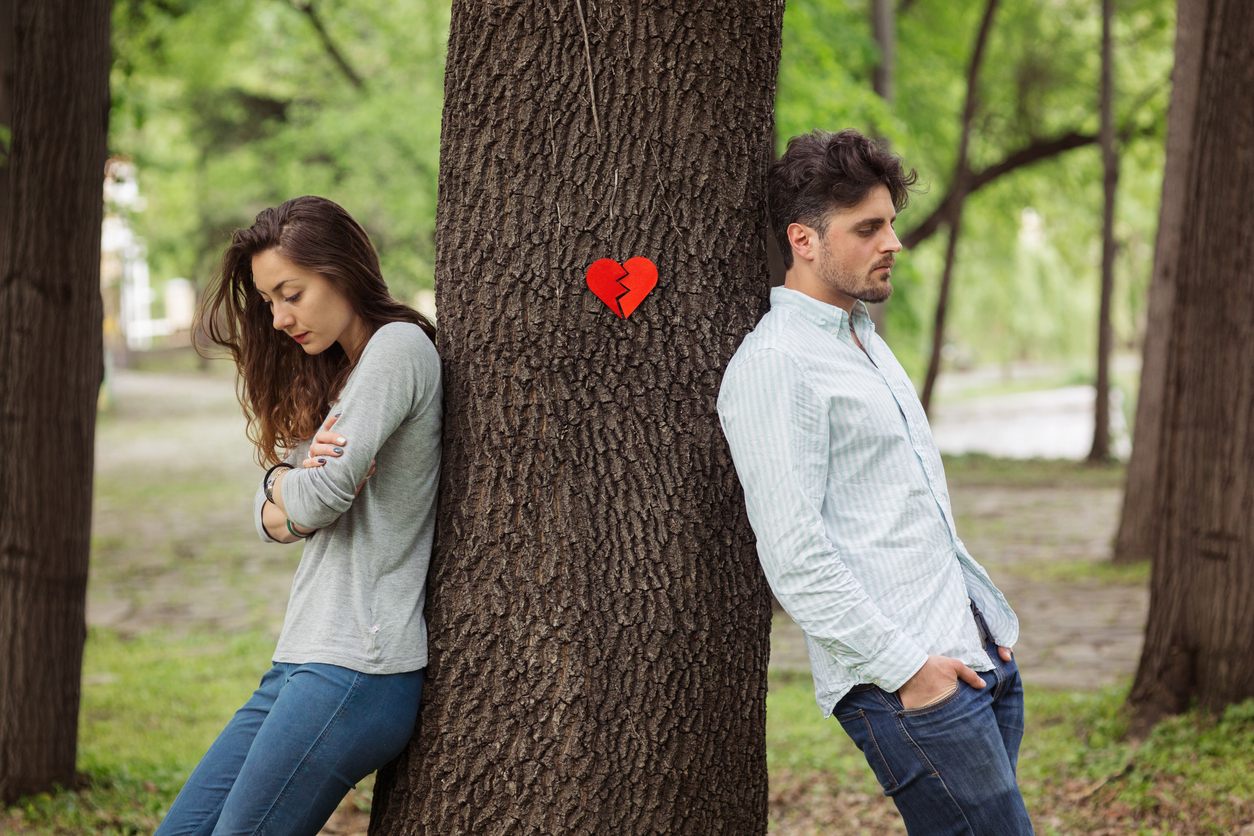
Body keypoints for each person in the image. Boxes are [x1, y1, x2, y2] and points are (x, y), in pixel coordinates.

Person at [717, 130, 1033, 835]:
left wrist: (980, 622)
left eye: (890, 221)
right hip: (908, 684)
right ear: (803, 239)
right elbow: (795, 556)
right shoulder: (778, 365)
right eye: (868, 228)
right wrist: (911, 670)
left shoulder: (861, 335)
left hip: (976, 653)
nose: (893, 242)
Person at [155, 195, 442, 836]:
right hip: (300, 657)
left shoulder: (397, 349)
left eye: (292, 293)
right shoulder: (339, 375)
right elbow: (268, 517)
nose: (281, 318)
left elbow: (315, 503)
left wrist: (295, 490)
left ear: (340, 270)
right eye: (269, 303)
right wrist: (287, 479)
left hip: (357, 668)